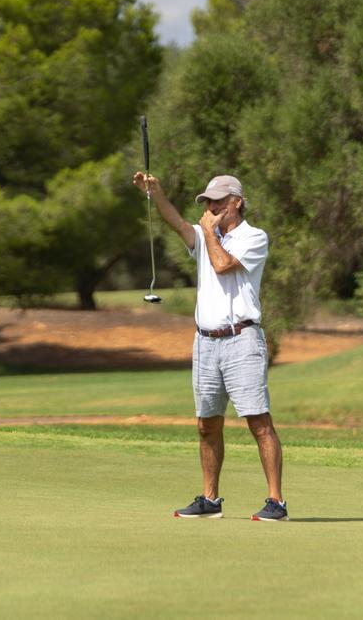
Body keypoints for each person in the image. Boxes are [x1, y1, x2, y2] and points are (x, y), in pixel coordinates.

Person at [131, 171, 287, 522]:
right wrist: (157, 194)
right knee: (206, 425)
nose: (212, 207)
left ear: (236, 201)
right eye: (208, 202)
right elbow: (175, 223)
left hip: (242, 339)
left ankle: (276, 502)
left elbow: (221, 264)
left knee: (258, 422)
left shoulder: (254, 237)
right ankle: (210, 499)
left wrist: (207, 231)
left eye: (218, 201)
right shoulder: (205, 235)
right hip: (205, 342)